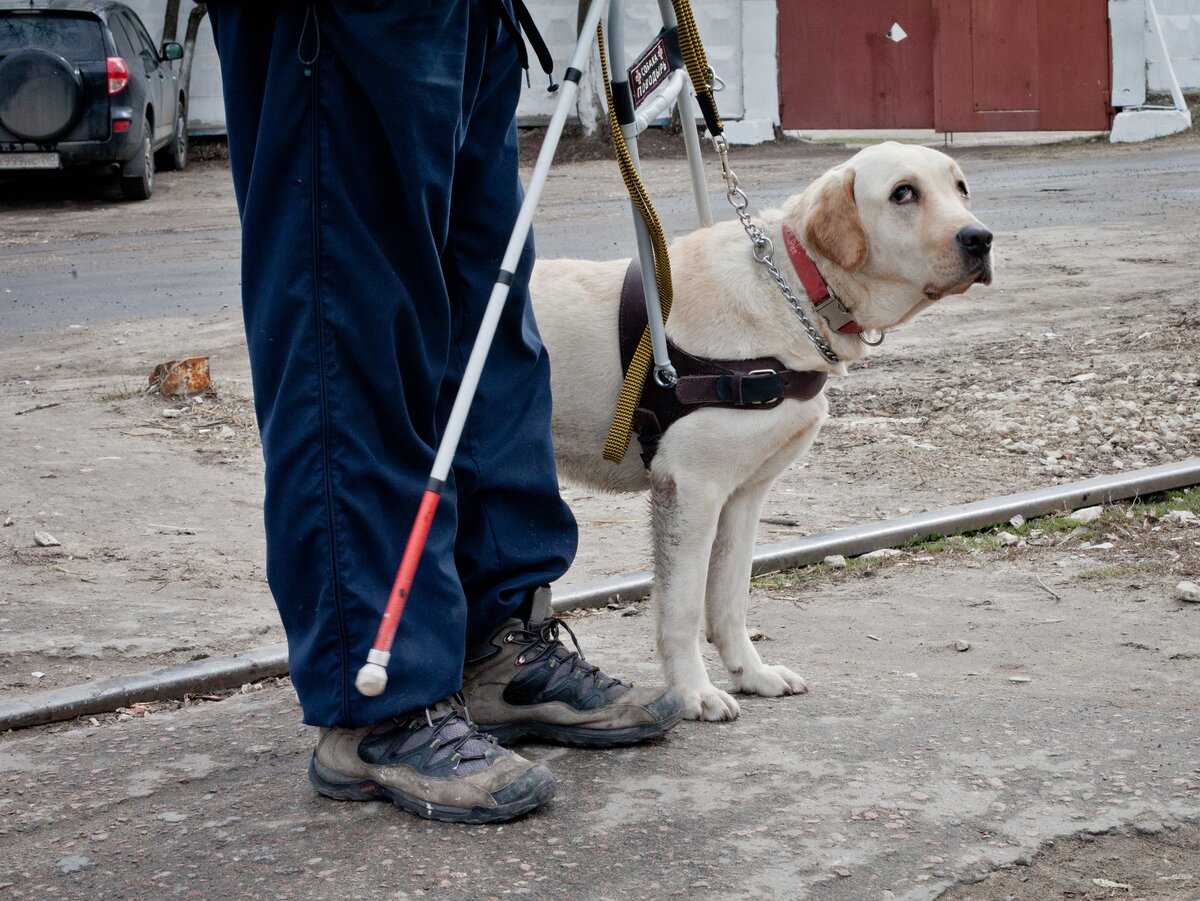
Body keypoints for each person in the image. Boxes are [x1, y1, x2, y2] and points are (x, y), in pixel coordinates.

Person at [204, 0, 682, 824]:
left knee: (488, 326)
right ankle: (378, 701)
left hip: (471, 17)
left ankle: (491, 644)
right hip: (342, 23)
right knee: (353, 327)